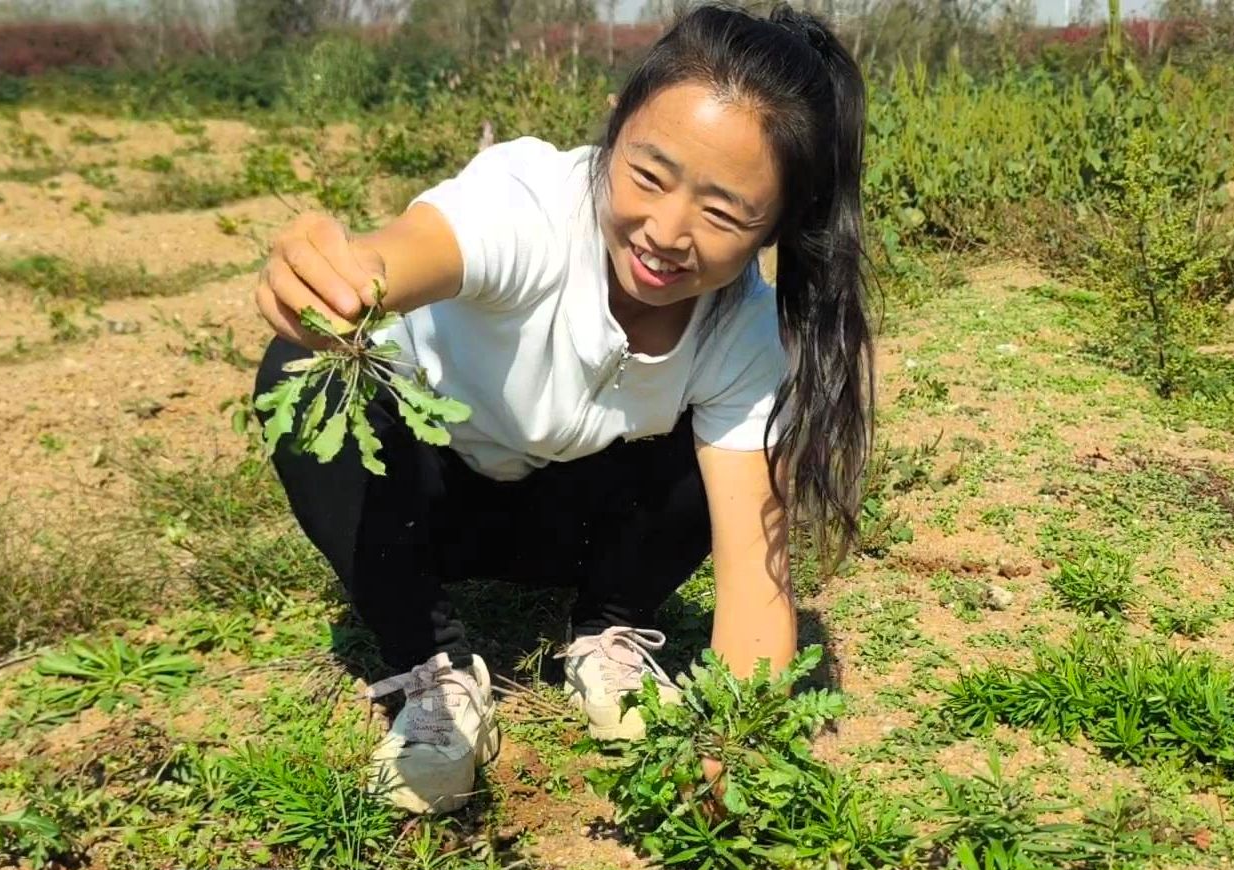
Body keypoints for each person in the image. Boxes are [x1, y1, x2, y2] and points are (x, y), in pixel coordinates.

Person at [250, 1, 874, 815]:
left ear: (778, 227)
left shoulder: (745, 332)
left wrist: (728, 746)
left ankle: (607, 632)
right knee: (302, 370)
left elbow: (755, 580)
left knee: (726, 447)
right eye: (648, 174)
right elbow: (403, 252)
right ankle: (432, 667)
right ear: (614, 131)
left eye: (724, 213)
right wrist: (334, 272)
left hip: (573, 526)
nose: (666, 231)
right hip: (423, 504)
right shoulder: (529, 204)